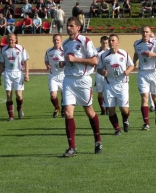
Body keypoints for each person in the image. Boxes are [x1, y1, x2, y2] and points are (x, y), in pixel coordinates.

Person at [60, 17, 102, 157]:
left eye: (71, 25)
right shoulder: (65, 44)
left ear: (78, 28)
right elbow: (69, 60)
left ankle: (98, 141)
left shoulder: (85, 41)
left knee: (89, 111)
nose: (68, 28)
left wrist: (75, 59)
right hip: (68, 81)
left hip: (83, 80)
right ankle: (72, 147)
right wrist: (64, 63)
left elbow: (95, 60)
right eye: (68, 25)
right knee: (67, 112)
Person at [97, 34, 134, 135]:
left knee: (124, 109)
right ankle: (117, 129)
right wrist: (102, 72)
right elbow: (98, 68)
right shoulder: (103, 56)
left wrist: (128, 71)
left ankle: (125, 120)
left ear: (118, 42)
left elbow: (131, 65)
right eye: (110, 41)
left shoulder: (124, 54)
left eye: (113, 40)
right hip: (109, 85)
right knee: (111, 109)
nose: (111, 42)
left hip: (122, 84)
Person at [133, 26, 156, 130]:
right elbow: (136, 54)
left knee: (155, 98)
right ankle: (146, 123)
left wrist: (152, 54)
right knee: (144, 97)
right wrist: (134, 62)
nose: (145, 34)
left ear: (150, 32)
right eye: (143, 32)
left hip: (154, 72)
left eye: (147, 32)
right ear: (140, 32)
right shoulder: (137, 43)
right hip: (142, 73)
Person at [0, 33, 29, 121]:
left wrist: (27, 74)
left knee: (19, 95)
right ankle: (11, 116)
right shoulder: (3, 50)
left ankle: (19, 108)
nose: (11, 41)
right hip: (7, 73)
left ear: (15, 39)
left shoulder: (21, 48)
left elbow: (26, 61)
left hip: (18, 73)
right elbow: (1, 64)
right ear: (7, 40)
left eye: (12, 39)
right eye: (9, 39)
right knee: (8, 94)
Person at [44, 34, 65, 118]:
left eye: (58, 40)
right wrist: (47, 65)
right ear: (53, 40)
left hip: (64, 75)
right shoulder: (49, 51)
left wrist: (64, 64)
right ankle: (57, 108)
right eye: (55, 40)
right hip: (53, 76)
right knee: (53, 94)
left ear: (61, 40)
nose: (56, 41)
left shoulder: (65, 50)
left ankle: (64, 109)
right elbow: (46, 60)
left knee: (64, 95)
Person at [93, 36, 109, 115]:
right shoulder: (96, 51)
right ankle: (102, 109)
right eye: (103, 43)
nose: (105, 44)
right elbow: (93, 60)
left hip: (108, 74)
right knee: (100, 93)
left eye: (106, 43)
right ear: (100, 42)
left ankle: (108, 108)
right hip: (99, 74)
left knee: (108, 92)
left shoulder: (110, 51)